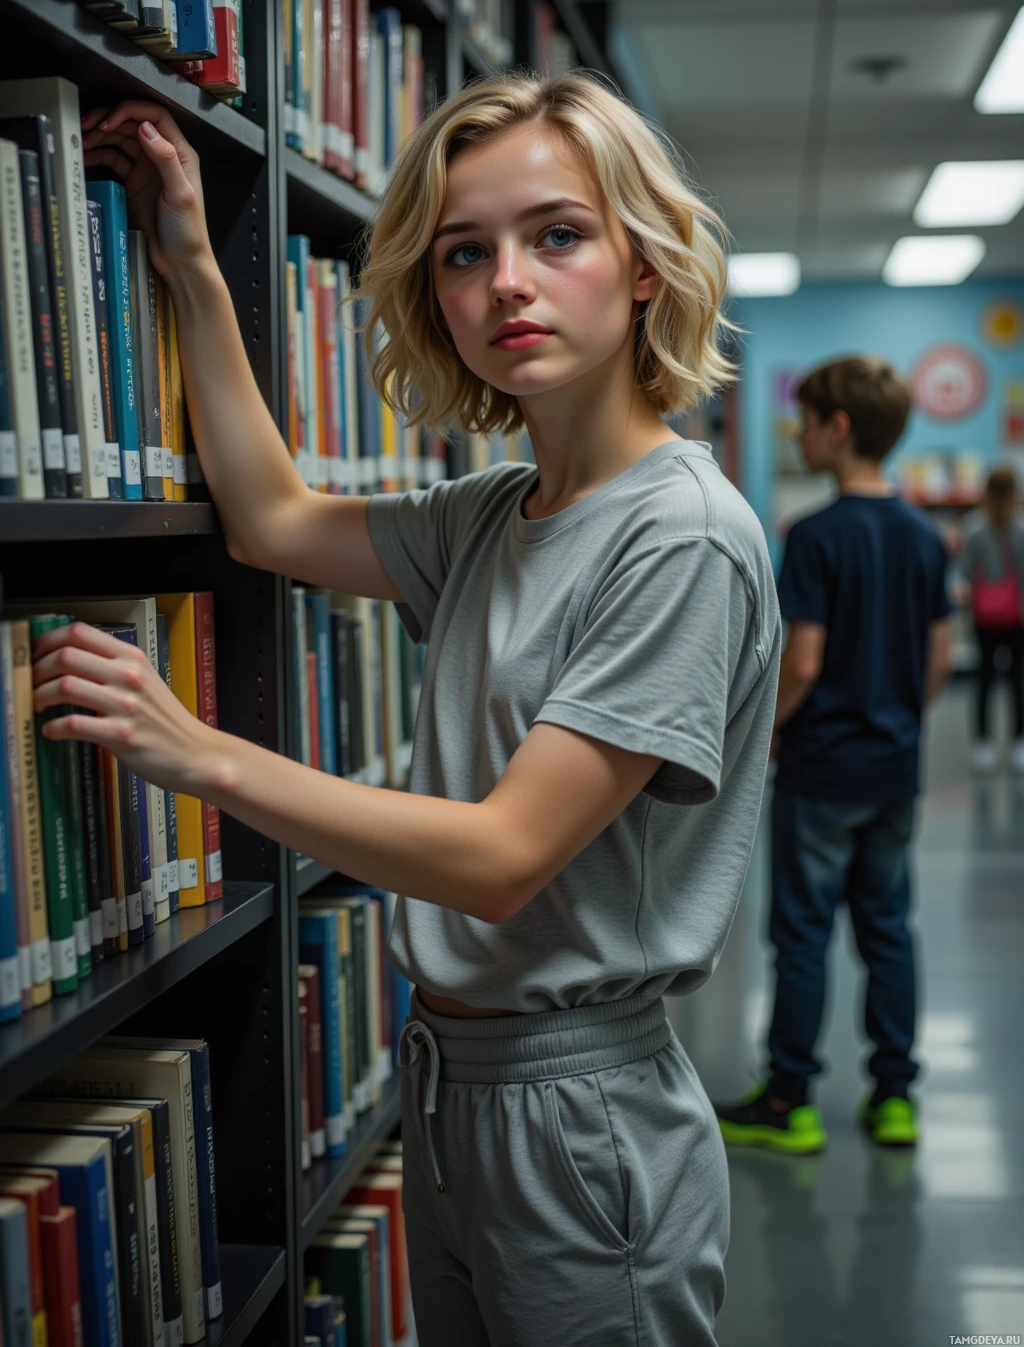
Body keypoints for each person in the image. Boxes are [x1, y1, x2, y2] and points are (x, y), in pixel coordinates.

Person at [33, 75, 781, 1345]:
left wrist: (199, 753)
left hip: (579, 1112)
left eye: (558, 234)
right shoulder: (493, 513)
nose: (508, 283)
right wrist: (191, 268)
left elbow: (498, 861)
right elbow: (271, 520)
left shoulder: (682, 537)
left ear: (643, 263)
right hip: (449, 1084)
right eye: (464, 253)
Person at [715, 356, 951, 1156]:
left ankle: (790, 1101)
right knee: (888, 928)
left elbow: (804, 662)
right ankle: (895, 1099)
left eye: (806, 419)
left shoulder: (812, 537)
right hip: (894, 767)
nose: (798, 434)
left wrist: (763, 730)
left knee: (804, 934)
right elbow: (938, 658)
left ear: (837, 429)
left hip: (821, 770)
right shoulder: (924, 534)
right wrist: (898, 721)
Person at [960, 466, 1024, 773]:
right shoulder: (1020, 529)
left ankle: (982, 744)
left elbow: (963, 573)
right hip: (1017, 617)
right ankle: (1018, 743)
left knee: (984, 679)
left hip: (984, 617)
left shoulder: (974, 527)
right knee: (1017, 681)